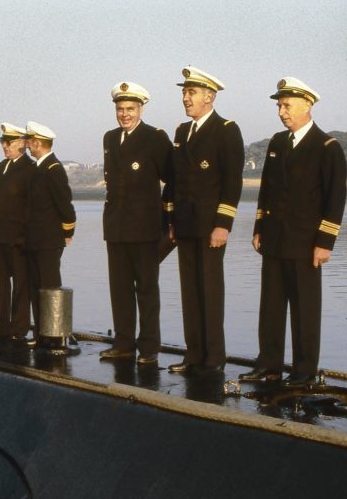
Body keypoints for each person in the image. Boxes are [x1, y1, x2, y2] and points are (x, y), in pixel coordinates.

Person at [238, 78, 346, 386]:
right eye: (279, 106)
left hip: (305, 243)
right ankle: (269, 363)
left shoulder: (327, 147)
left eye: (287, 106)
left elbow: (335, 200)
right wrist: (259, 228)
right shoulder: (277, 142)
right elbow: (267, 192)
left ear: (307, 105)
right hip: (274, 240)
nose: (282, 112)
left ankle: (304, 371)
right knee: (270, 307)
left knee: (304, 311)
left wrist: (324, 243)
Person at [163, 66, 244, 378]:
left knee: (210, 290)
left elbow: (232, 181)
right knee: (190, 291)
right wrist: (172, 220)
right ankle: (193, 353)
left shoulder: (226, 130)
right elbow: (175, 181)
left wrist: (223, 224)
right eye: (184, 92)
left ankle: (214, 357)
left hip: (211, 226)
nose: (185, 97)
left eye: (191, 92)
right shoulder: (182, 132)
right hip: (184, 225)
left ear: (209, 97)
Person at [98, 82, 173, 365]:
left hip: (145, 227)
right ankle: (124, 343)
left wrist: (166, 220)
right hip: (116, 227)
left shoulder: (155, 137)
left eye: (130, 109)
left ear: (141, 108)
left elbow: (172, 179)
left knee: (146, 288)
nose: (125, 114)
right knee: (119, 289)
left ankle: (150, 346)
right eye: (120, 109)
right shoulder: (110, 138)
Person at [0, 123, 36, 345]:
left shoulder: (31, 169)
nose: (5, 146)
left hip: (17, 237)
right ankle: (2, 322)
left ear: (23, 143)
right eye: (3, 142)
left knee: (22, 284)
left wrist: (25, 234)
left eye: (9, 142)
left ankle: (20, 326)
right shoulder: (0, 167)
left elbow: (30, 206)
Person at [25, 121, 76, 348]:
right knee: (36, 287)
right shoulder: (38, 168)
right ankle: (41, 334)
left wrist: (68, 230)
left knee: (49, 286)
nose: (26, 145)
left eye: (29, 141)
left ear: (37, 143)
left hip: (48, 240)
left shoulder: (53, 169)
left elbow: (64, 203)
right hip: (35, 239)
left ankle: (54, 337)